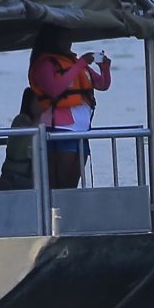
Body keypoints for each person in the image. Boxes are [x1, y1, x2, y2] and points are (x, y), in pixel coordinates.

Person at [29, 28, 112, 189]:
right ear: (51, 41)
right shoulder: (45, 64)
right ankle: (54, 214)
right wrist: (81, 64)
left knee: (72, 183)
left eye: (69, 39)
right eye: (63, 39)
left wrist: (105, 68)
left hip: (81, 130)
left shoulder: (75, 63)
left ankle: (66, 213)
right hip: (60, 129)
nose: (68, 43)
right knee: (60, 182)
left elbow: (102, 85)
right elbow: (54, 90)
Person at [0, 88, 44, 191]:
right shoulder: (20, 121)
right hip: (16, 176)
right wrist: (39, 118)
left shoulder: (46, 126)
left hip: (33, 176)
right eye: (40, 100)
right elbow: (19, 151)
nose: (44, 103)